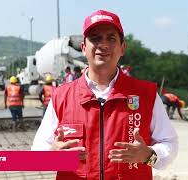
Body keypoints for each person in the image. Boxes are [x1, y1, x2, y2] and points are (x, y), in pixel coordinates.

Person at [32, 10, 178, 179]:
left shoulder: (146, 95)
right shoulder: (61, 96)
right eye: (95, 38)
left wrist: (148, 156)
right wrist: (51, 156)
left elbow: (170, 143)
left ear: (122, 48)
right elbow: (38, 152)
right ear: (84, 48)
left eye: (111, 38)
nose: (103, 44)